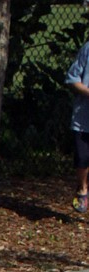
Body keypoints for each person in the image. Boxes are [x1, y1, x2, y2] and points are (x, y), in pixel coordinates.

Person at [66, 35, 89, 214]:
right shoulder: (87, 49)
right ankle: (82, 188)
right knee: (82, 158)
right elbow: (72, 79)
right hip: (83, 119)